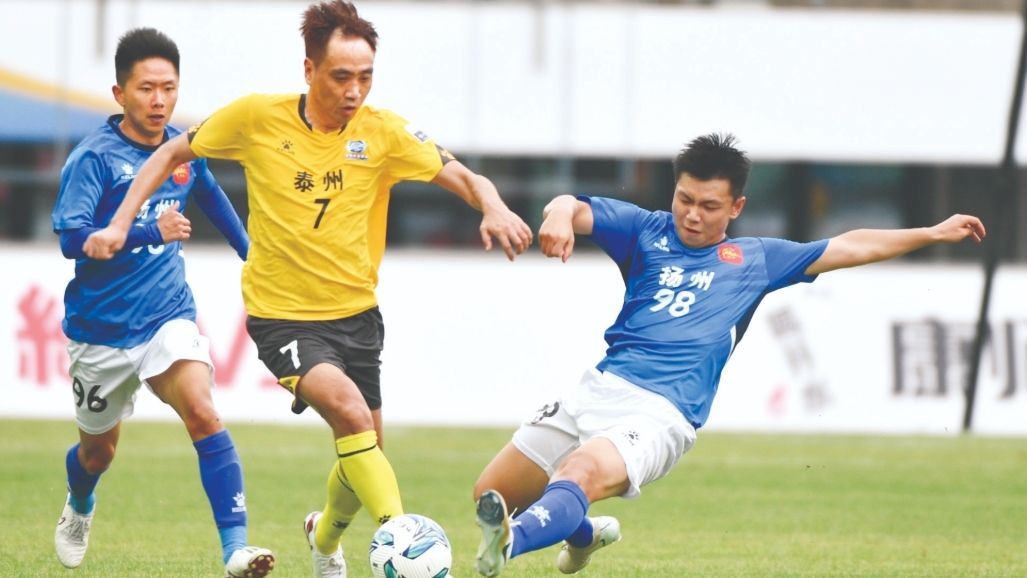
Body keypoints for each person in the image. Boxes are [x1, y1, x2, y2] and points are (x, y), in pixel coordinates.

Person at [82, 3, 534, 577]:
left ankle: (323, 538)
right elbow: (173, 151)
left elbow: (465, 176)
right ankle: (406, 541)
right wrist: (121, 223)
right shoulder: (257, 119)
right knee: (351, 414)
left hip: (358, 316)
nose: (354, 90)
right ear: (309, 69)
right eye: (341, 76)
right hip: (283, 318)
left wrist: (493, 205)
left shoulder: (384, 133)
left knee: (364, 448)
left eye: (365, 76)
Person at [471, 134, 986, 577]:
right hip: (599, 387)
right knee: (491, 494)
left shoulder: (755, 260)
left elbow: (850, 246)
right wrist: (560, 215)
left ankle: (506, 546)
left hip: (661, 413)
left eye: (709, 205)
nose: (693, 214)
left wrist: (932, 233)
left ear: (736, 207)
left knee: (578, 473)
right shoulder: (644, 230)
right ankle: (583, 534)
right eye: (684, 199)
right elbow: (569, 203)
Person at [51, 28, 274, 578]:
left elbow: (212, 198)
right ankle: (80, 502)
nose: (159, 100)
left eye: (168, 88)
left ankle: (236, 550)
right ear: (119, 93)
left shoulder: (183, 150)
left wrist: (254, 256)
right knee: (97, 454)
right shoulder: (94, 158)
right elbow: (72, 238)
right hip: (100, 331)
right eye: (146, 88)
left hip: (166, 317)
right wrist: (148, 231)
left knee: (202, 410)